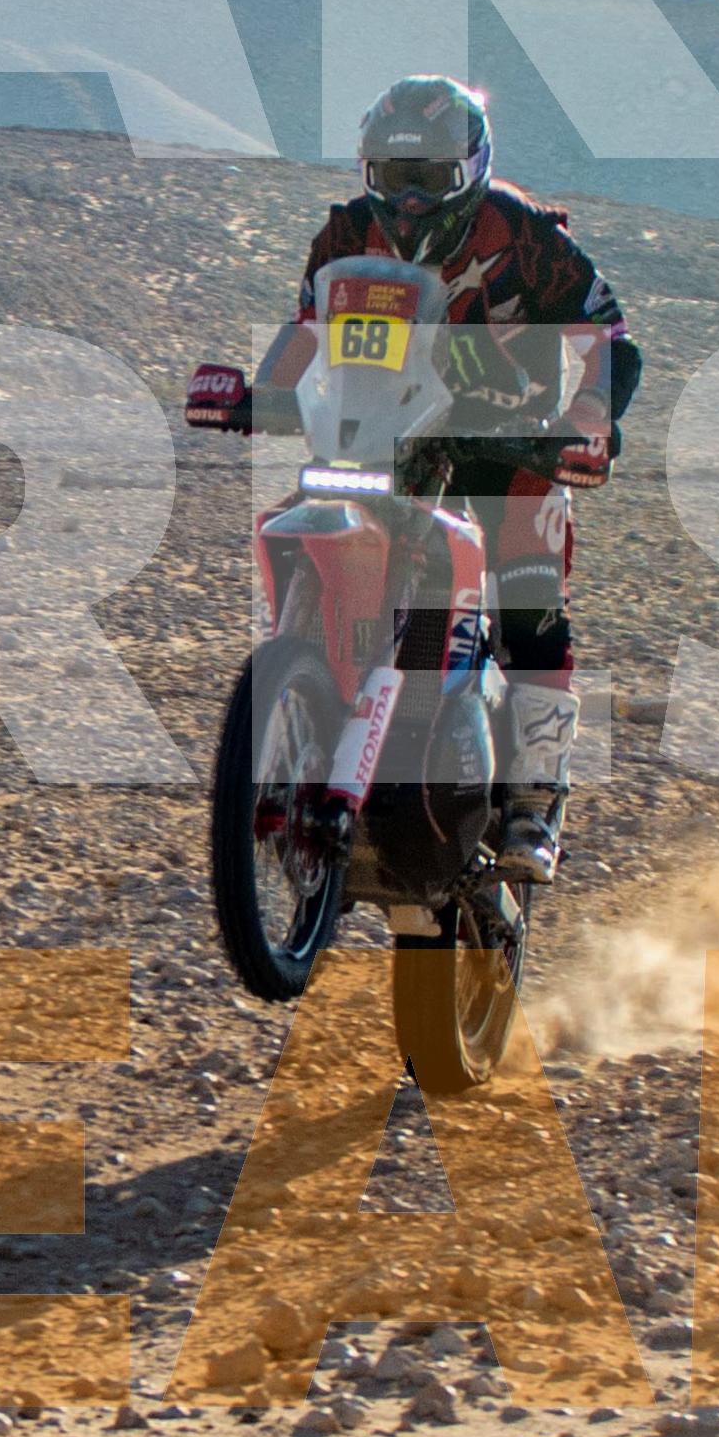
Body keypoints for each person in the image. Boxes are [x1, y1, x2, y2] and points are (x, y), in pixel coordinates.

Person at [188, 74, 635, 883]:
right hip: (387, 434)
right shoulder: (344, 234)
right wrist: (257, 393)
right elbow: (304, 328)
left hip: (511, 443)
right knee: (309, 520)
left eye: (428, 178)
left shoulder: (524, 233)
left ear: (470, 171)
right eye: (394, 178)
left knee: (528, 593)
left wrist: (592, 414)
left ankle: (534, 803)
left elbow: (606, 331)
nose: (410, 201)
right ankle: (308, 704)